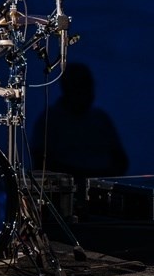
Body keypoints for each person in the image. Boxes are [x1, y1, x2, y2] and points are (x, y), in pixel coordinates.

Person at [29, 62, 129, 203]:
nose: (86, 91)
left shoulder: (100, 119)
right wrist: (79, 178)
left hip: (103, 193)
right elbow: (41, 162)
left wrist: (105, 180)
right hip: (67, 194)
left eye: (88, 86)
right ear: (68, 88)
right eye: (80, 86)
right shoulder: (50, 120)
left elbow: (121, 159)